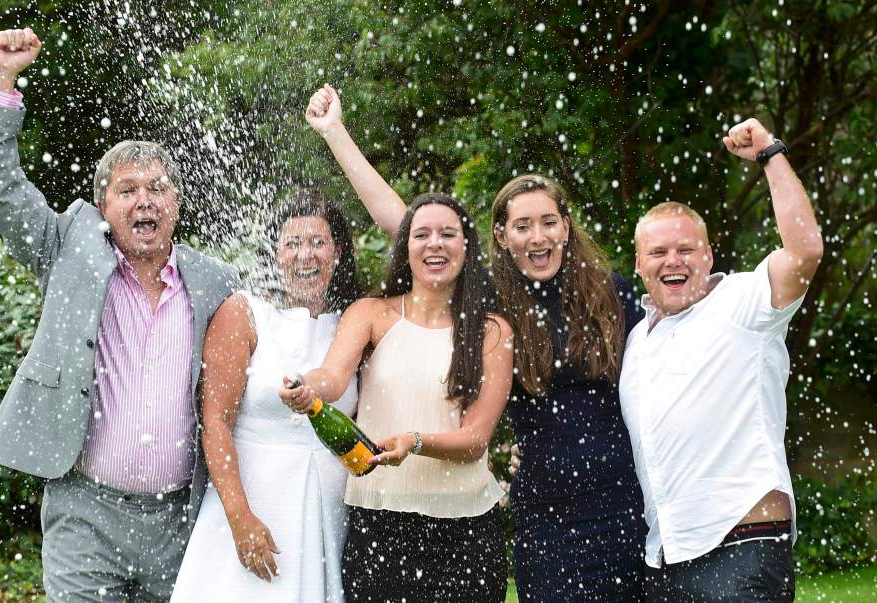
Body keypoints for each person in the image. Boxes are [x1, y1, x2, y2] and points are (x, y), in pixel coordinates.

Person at [305, 84, 646, 601]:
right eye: (523, 226)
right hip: (543, 505)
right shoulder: (495, 301)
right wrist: (336, 134)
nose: (537, 237)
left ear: (567, 228)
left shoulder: (610, 295)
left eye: (549, 223)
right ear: (501, 236)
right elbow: (409, 226)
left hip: (616, 494)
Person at [0, 28, 235, 601]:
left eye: (158, 188)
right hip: (84, 511)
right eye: (128, 189)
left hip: (178, 521)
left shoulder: (216, 282)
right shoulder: (68, 248)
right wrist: (2, 81)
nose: (145, 199)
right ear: (103, 207)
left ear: (176, 204)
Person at [619, 119, 823, 601]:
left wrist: (771, 153)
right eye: (659, 251)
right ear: (638, 264)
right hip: (665, 557)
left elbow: (805, 250)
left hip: (742, 548)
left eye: (686, 249)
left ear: (708, 256)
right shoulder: (635, 342)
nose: (674, 260)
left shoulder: (743, 304)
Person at [280, 194, 513, 602]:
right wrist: (305, 386)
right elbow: (332, 378)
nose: (434, 243)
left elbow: (476, 439)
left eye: (447, 234)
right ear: (405, 247)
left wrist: (415, 441)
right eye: (421, 234)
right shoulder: (370, 313)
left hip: (466, 532)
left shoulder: (491, 331)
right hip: (379, 527)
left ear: (466, 246)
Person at [171, 191, 361, 602]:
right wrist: (240, 519)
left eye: (316, 242)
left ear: (338, 251)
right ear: (275, 255)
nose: (304, 256)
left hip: (328, 513)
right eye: (291, 244)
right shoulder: (245, 312)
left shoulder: (354, 324)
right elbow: (216, 424)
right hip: (254, 502)